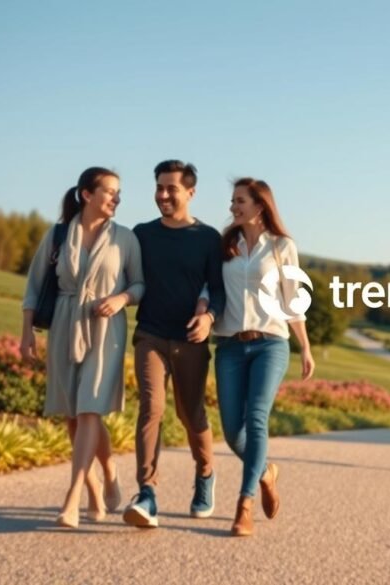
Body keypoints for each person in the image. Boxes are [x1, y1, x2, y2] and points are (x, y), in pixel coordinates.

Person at [21, 167, 144, 528]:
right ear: (86, 194)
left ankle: (71, 499)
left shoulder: (126, 239)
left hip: (107, 330)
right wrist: (27, 333)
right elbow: (34, 286)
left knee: (90, 409)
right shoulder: (59, 235)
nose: (116, 198)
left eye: (119, 193)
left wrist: (121, 298)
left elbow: (139, 284)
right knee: (74, 415)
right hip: (63, 324)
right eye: (109, 191)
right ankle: (104, 475)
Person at [200, 177, 315, 537]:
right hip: (230, 345)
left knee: (257, 419)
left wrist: (305, 347)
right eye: (232, 201)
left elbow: (292, 298)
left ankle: (244, 504)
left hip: (271, 343)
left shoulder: (282, 246)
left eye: (240, 201)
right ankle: (265, 472)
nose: (233, 207)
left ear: (260, 205)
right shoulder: (225, 245)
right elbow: (211, 286)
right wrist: (204, 306)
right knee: (233, 431)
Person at [122, 160, 225, 529]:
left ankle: (206, 474)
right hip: (150, 333)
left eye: (172, 189)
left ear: (191, 192)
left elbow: (217, 289)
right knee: (151, 408)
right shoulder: (142, 234)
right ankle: (146, 493)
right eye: (159, 187)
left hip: (190, 339)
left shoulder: (208, 238)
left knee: (190, 413)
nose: (163, 195)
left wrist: (209, 317)